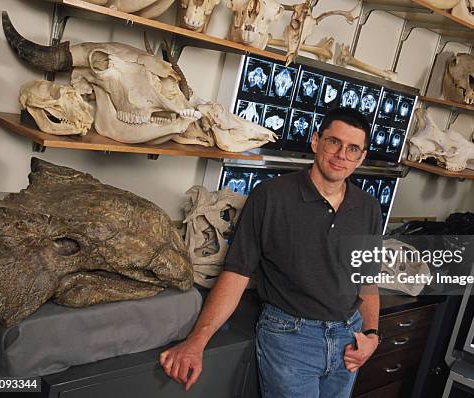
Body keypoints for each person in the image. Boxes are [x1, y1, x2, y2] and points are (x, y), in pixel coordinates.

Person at [160, 107, 383, 397]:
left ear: (361, 157)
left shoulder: (368, 208)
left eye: (353, 149)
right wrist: (197, 341)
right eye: (333, 142)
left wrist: (371, 334)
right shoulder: (271, 196)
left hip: (348, 341)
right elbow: (237, 272)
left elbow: (366, 279)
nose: (342, 155)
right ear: (316, 141)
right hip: (292, 338)